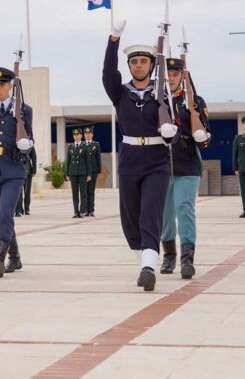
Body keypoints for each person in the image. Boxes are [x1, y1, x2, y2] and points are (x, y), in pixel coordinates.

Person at [101, 20, 176, 292]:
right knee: (130, 219)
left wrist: (170, 131)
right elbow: (108, 72)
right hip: (130, 158)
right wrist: (113, 40)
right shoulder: (120, 93)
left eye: (144, 61)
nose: (139, 66)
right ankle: (144, 262)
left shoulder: (163, 94)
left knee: (150, 213)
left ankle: (148, 267)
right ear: (130, 66)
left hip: (156, 161)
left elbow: (174, 131)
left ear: (152, 65)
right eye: (135, 62)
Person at [0, 66, 33, 278]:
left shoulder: (23, 110)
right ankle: (16, 256)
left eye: (2, 84)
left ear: (11, 86)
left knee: (4, 213)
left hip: (13, 168)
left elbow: (30, 139)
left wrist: (26, 143)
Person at [159, 58, 211, 280]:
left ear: (182, 76)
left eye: (175, 74)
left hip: (187, 164)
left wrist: (202, 136)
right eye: (167, 74)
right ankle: (169, 255)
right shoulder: (157, 101)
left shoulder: (195, 101)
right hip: (161, 164)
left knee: (184, 208)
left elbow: (206, 135)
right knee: (165, 215)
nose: (171, 78)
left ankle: (187, 258)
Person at [64, 128, 91, 219]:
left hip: (83, 173)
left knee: (83, 193)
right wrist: (67, 174)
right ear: (73, 136)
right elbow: (68, 161)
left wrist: (89, 174)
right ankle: (76, 212)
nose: (76, 137)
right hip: (73, 173)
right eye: (75, 135)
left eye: (78, 135)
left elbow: (88, 162)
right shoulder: (70, 147)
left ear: (81, 136)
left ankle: (82, 211)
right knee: (74, 193)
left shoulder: (85, 147)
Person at [83, 127, 102, 217]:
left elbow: (98, 159)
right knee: (84, 191)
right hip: (84, 171)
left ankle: (91, 210)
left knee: (91, 191)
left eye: (89, 133)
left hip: (93, 171)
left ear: (92, 135)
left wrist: (99, 171)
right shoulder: (82, 145)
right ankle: (86, 210)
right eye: (86, 134)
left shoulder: (96, 144)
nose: (87, 135)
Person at [15, 145, 36, 216]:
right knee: (23, 191)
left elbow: (34, 157)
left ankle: (23, 209)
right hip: (22, 170)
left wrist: (34, 171)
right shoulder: (27, 144)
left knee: (23, 191)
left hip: (24, 170)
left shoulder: (28, 144)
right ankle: (22, 209)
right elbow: (34, 158)